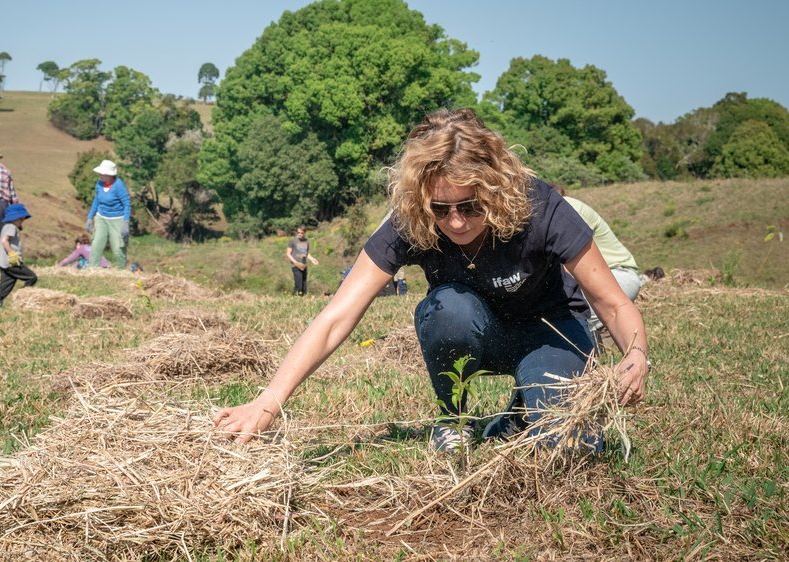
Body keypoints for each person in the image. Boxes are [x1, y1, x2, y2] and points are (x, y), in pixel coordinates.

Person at [214, 108, 650, 454]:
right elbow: (336, 316)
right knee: (447, 309)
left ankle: (523, 410)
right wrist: (268, 401)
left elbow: (612, 302)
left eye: (471, 206)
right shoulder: (413, 218)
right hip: (476, 329)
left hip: (550, 332)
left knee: (569, 447)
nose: (456, 222)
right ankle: (453, 419)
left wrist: (635, 355)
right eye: (441, 209)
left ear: (496, 188)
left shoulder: (541, 206)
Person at [551, 185, 644, 347]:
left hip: (618, 275)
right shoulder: (560, 208)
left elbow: (565, 265)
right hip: (607, 277)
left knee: (569, 306)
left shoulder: (564, 209)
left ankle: (593, 347)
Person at [84, 160, 130, 269]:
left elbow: (127, 204)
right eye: (100, 173)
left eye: (103, 174)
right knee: (96, 245)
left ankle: (120, 271)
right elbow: (96, 200)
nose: (100, 176)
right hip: (101, 218)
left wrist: (126, 222)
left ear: (110, 175)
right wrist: (90, 217)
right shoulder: (99, 184)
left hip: (117, 219)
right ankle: (93, 269)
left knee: (118, 248)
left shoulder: (119, 186)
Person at [0, 203, 37, 309]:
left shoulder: (7, 227)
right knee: (31, 277)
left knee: (6, 285)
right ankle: (23, 298)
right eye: (21, 218)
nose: (23, 220)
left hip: (4, 263)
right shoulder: (11, 227)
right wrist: (12, 254)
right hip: (12, 262)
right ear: (16, 218)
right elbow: (4, 241)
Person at [286, 226, 320, 295]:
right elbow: (288, 254)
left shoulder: (306, 241)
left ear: (304, 233)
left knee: (304, 284)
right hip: (295, 265)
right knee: (299, 283)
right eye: (298, 232)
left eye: (301, 233)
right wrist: (295, 263)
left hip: (303, 265)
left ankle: (296, 297)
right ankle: (299, 296)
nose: (299, 234)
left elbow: (306, 253)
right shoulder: (292, 241)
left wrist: (313, 260)